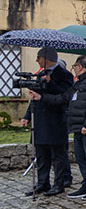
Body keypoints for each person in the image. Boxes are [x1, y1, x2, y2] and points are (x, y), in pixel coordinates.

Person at [41, 55, 86, 200]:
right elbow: (64, 98)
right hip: (79, 127)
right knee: (81, 158)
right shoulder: (80, 83)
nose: (74, 69)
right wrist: (41, 97)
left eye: (75, 66)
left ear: (82, 67)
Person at [21, 47, 74, 197]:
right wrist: (27, 116)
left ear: (46, 58)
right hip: (40, 121)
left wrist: (50, 83)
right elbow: (36, 97)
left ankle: (59, 183)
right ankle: (42, 183)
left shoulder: (65, 75)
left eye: (39, 57)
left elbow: (64, 96)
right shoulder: (41, 74)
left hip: (55, 121)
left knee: (58, 156)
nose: (37, 60)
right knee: (42, 155)